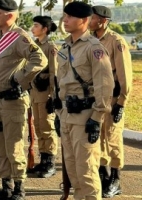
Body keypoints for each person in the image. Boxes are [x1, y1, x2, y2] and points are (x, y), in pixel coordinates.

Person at [0, 0, 48, 199]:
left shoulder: (19, 37)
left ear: (10, 16)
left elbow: (40, 60)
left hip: (13, 101)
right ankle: (7, 186)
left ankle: (19, 188)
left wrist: (19, 79)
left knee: (14, 146)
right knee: (1, 148)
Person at [57, 2, 114, 199]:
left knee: (87, 172)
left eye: (70, 17)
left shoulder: (94, 48)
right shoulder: (65, 46)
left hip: (85, 117)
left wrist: (97, 117)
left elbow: (104, 85)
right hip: (67, 114)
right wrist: (59, 112)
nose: (65, 20)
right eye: (65, 16)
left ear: (83, 20)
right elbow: (62, 82)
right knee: (73, 172)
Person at [89, 6, 133, 198]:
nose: (89, 20)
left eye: (93, 17)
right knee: (97, 138)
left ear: (103, 21)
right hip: (95, 98)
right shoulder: (90, 40)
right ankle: (102, 174)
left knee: (112, 138)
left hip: (113, 98)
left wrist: (121, 102)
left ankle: (115, 179)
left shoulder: (116, 41)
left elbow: (125, 74)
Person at [29, 15, 58, 178]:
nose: (33, 28)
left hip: (46, 93)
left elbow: (55, 72)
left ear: (45, 29)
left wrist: (53, 96)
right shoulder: (35, 46)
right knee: (39, 128)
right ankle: (43, 160)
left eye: (36, 25)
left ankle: (50, 163)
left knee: (47, 127)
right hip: (35, 93)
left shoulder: (50, 47)